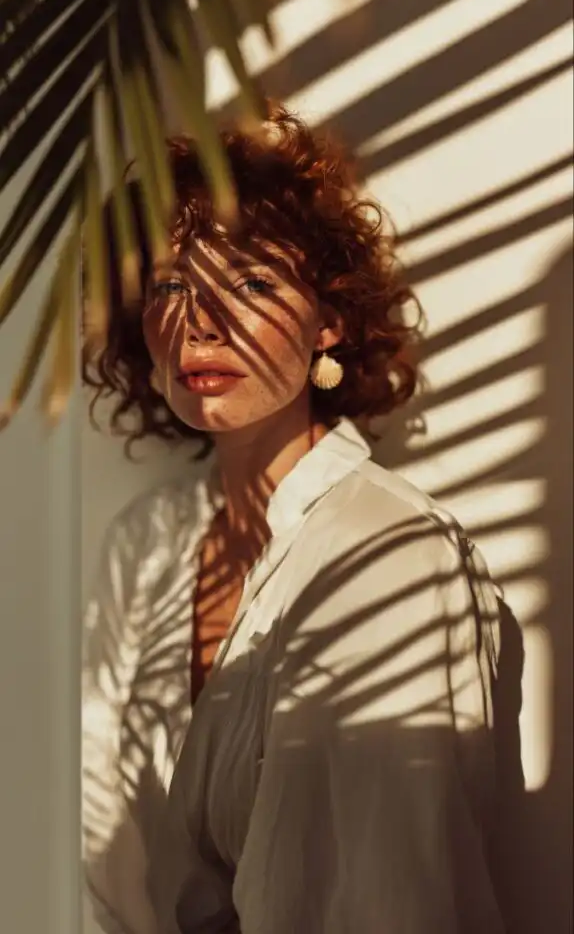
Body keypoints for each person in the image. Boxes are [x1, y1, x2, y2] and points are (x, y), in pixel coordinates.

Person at [82, 103, 506, 934]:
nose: (200, 320)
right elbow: (105, 849)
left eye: (251, 282)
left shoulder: (388, 551)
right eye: (172, 282)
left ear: (330, 320)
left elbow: (387, 899)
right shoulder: (145, 544)